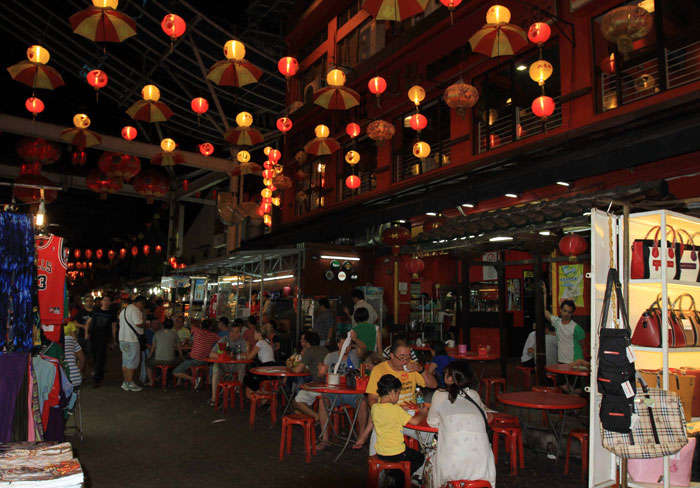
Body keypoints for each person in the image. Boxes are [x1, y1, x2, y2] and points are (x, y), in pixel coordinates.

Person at [356, 341, 438, 450]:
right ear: (391, 356)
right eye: (402, 357)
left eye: (408, 357)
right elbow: (372, 399)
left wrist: (421, 370)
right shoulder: (379, 370)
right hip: (388, 416)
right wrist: (389, 410)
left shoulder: (412, 366)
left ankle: (424, 465)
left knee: (432, 440)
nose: (405, 361)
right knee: (378, 446)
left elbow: (433, 385)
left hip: (411, 414)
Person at [427, 360, 496, 488]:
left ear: (449, 378)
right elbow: (485, 416)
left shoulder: (439, 395)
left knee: (430, 454)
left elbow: (432, 422)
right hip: (483, 466)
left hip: (452, 467)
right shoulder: (474, 394)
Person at [372, 374, 427, 487]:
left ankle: (394, 474)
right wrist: (423, 412)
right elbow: (415, 421)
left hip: (381, 452)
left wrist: (401, 409)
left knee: (410, 455)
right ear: (392, 393)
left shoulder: (375, 407)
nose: (398, 397)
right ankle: (401, 479)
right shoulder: (395, 410)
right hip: (397, 453)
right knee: (420, 457)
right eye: (398, 393)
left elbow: (388, 411)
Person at [317, 334, 368, 449]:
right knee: (322, 401)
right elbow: (321, 374)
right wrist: (321, 372)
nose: (346, 347)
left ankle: (361, 437)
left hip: (352, 393)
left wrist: (355, 338)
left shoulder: (354, 355)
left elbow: (364, 349)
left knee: (363, 403)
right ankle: (325, 439)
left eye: (348, 345)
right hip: (334, 392)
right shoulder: (330, 357)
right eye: (343, 344)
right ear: (338, 344)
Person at [543, 287, 586, 365]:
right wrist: (545, 294)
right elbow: (545, 312)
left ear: (572, 313)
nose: (566, 314)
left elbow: (582, 345)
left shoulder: (577, 328)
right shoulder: (557, 322)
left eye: (569, 312)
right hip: (561, 361)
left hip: (575, 362)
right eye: (565, 311)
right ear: (560, 310)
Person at [290, 331, 328, 420]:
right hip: (329, 384)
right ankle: (309, 416)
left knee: (296, 402)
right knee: (298, 409)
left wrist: (290, 367)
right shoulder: (325, 349)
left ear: (307, 342)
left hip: (318, 385)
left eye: (304, 340)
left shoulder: (309, 351)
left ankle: (316, 416)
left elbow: (297, 370)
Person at [173, 319, 220, 389]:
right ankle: (180, 382)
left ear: (201, 325)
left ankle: (193, 379)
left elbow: (192, 325)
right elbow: (222, 341)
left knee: (175, 371)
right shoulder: (214, 336)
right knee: (186, 358)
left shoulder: (196, 331)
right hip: (205, 361)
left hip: (194, 360)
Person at [209, 323, 248, 407]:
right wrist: (223, 355)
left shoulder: (242, 341)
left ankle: (238, 389)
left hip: (236, 367)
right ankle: (214, 398)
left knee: (242, 366)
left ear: (240, 333)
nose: (234, 334)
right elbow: (211, 354)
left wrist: (235, 356)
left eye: (237, 332)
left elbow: (246, 355)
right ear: (229, 332)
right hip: (224, 366)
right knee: (215, 368)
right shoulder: (224, 340)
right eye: (232, 332)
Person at [118, 296, 146, 392]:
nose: (142, 307)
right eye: (142, 304)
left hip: (122, 339)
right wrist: (145, 324)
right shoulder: (135, 310)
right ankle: (130, 383)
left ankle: (126, 382)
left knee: (126, 361)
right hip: (132, 339)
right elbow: (138, 323)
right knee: (132, 362)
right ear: (139, 303)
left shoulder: (124, 310)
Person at [90, 295, 117, 387]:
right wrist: (87, 333)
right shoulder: (96, 311)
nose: (106, 302)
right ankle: (97, 374)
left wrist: (113, 340)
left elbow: (113, 327)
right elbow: (91, 322)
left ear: (110, 302)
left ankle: (97, 378)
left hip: (104, 337)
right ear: (101, 302)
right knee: (94, 356)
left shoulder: (112, 313)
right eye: (104, 300)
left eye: (107, 300)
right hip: (94, 337)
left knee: (100, 358)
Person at [243, 327, 277, 398]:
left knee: (247, 377)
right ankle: (260, 392)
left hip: (266, 368)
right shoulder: (266, 342)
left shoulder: (260, 343)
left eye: (254, 333)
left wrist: (247, 347)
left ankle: (259, 392)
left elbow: (249, 357)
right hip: (272, 367)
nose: (253, 335)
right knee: (250, 375)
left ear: (259, 334)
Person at [146, 319, 182, 387]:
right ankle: (178, 382)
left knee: (148, 363)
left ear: (162, 325)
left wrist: (149, 357)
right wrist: (181, 356)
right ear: (172, 326)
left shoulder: (157, 333)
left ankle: (151, 381)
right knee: (182, 362)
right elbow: (179, 347)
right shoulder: (174, 334)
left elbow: (153, 347)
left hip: (157, 360)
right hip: (171, 360)